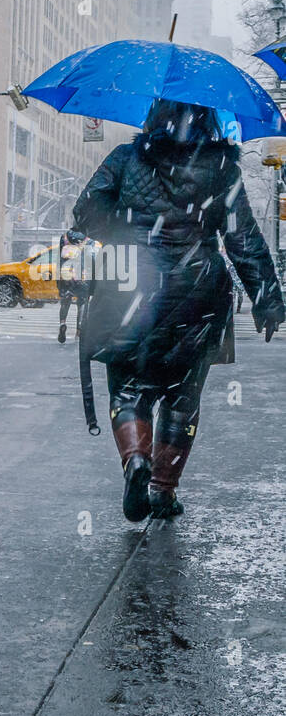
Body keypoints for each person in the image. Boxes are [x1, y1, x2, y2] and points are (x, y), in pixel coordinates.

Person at [72, 99, 284, 521]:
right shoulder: (221, 169)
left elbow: (85, 214)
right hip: (198, 292)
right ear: (207, 121)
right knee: (181, 396)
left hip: (129, 284)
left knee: (129, 389)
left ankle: (135, 458)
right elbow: (244, 239)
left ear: (151, 117)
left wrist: (127, 228)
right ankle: (163, 491)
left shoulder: (125, 157)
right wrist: (268, 300)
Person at [56, 230, 87, 343]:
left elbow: (59, 258)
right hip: (80, 273)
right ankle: (78, 331)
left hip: (65, 272)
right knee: (82, 302)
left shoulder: (64, 237)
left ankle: (63, 323)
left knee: (65, 301)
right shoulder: (87, 238)